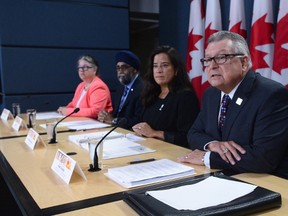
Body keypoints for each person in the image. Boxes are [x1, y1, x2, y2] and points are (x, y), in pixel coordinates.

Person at [178, 31, 288, 179]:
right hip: (218, 178)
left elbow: (263, 158)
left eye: (221, 58)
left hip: (263, 182)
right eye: (208, 59)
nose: (212, 66)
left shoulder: (271, 94)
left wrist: (207, 158)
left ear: (243, 63)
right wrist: (212, 144)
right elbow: (194, 133)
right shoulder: (211, 94)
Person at [132, 45, 200, 148]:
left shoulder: (186, 97)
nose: (158, 70)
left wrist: (155, 133)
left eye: (164, 65)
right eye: (155, 66)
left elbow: (188, 137)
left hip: (172, 154)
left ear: (176, 69)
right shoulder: (151, 94)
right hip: (147, 148)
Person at [98, 50, 143, 129]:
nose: (120, 71)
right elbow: (118, 112)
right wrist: (106, 115)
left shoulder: (142, 88)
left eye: (124, 67)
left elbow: (138, 120)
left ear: (134, 70)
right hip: (117, 129)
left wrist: (113, 120)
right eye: (118, 68)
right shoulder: (121, 87)